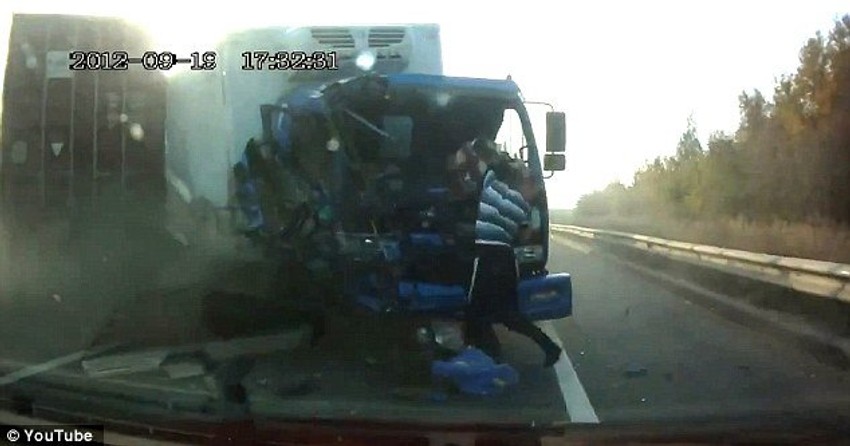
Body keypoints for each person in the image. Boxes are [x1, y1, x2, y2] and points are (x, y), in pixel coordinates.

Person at [449, 137, 562, 367]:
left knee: (475, 311)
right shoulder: (524, 208)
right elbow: (522, 237)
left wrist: (475, 145)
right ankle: (547, 346)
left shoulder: (492, 186)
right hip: (507, 261)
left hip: (488, 258)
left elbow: (476, 158)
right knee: (507, 314)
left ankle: (490, 357)